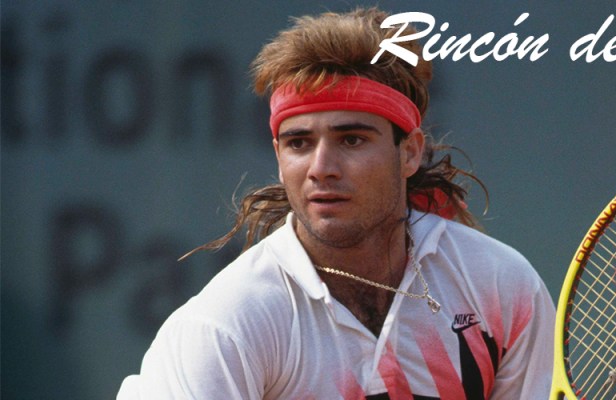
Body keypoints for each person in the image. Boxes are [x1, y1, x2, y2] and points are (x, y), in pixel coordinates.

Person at [118, 7, 554, 399]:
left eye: (351, 139)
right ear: (279, 157)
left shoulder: (499, 285)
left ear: (409, 152)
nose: (321, 168)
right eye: (299, 143)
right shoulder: (226, 327)